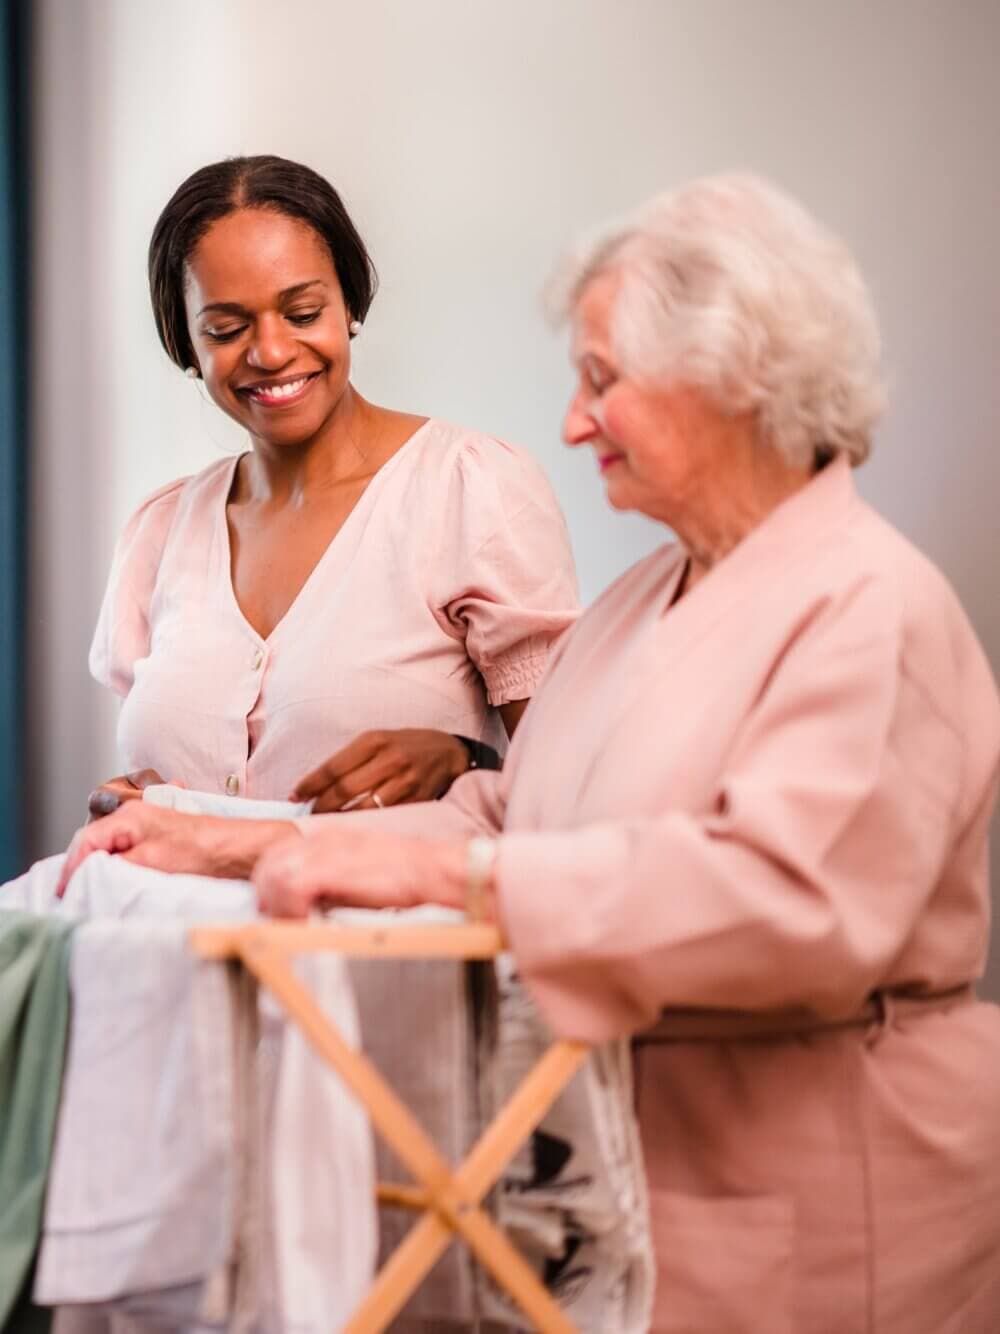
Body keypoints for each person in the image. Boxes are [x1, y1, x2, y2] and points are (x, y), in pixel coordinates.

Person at [62, 174, 1000, 1333]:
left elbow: (786, 904)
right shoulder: (648, 596)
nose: (572, 420)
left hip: (820, 1199)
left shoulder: (870, 605)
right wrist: (216, 839)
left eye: (603, 381)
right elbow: (514, 813)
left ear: (737, 384)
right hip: (623, 1186)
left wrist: (442, 877)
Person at [88, 154, 578, 820]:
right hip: (177, 922)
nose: (270, 351)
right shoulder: (160, 531)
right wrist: (128, 809)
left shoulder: (471, 488)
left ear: (349, 303)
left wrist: (467, 759)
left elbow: (574, 786)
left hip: (393, 923)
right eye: (226, 330)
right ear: (186, 344)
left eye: (302, 312)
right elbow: (160, 780)